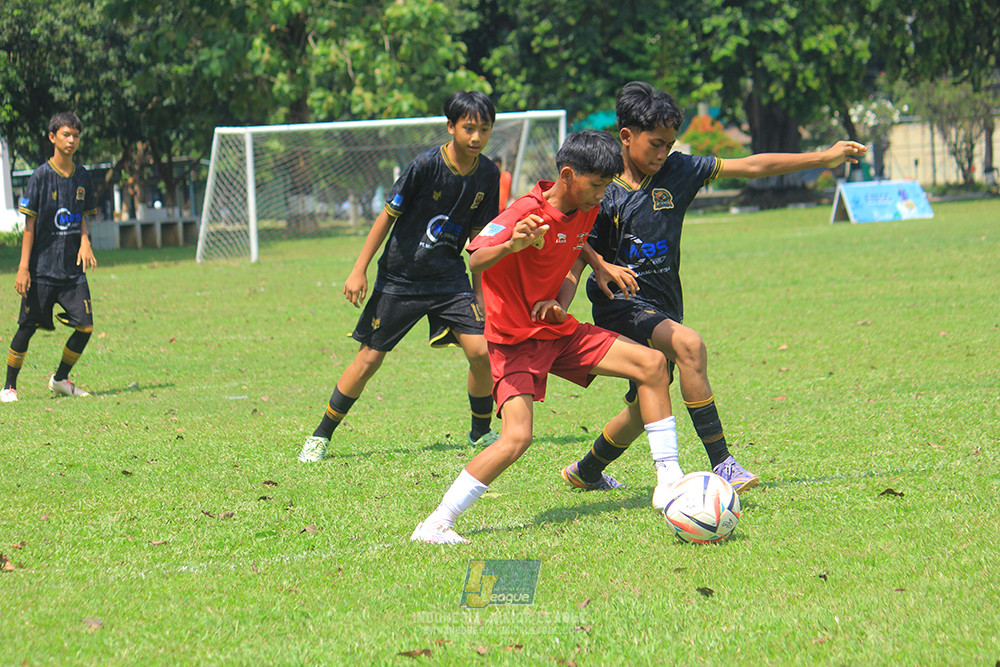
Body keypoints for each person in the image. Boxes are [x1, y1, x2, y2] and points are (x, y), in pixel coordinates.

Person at [561, 81, 868, 509]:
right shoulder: (601, 187)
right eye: (655, 144)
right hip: (620, 307)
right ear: (626, 136)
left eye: (669, 144)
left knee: (644, 407)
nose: (662, 153)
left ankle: (586, 470)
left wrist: (822, 156)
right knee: (690, 344)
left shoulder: (679, 171)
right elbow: (574, 248)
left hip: (665, 303)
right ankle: (722, 462)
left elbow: (753, 166)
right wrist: (571, 292)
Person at [411, 130, 685, 544]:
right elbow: (477, 256)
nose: (601, 195)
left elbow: (574, 242)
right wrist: (513, 243)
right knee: (517, 438)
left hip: (554, 329)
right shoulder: (528, 210)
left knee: (653, 364)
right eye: (596, 185)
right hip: (514, 339)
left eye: (607, 186)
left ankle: (669, 481)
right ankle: (436, 523)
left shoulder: (586, 206)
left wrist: (593, 270)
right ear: (569, 175)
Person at [297, 91, 502, 462]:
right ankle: (321, 435)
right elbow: (387, 217)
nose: (476, 137)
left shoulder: (488, 173)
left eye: (484, 129)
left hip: (449, 279)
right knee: (369, 359)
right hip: (401, 278)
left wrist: (481, 295)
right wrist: (358, 269)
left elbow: (478, 240)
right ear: (451, 127)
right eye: (468, 128)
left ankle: (480, 432)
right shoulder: (424, 165)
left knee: (482, 352)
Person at [2, 112, 98, 403]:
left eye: (76, 135)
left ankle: (59, 379)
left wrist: (85, 241)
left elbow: (82, 216)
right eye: (66, 134)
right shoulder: (40, 176)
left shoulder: (83, 176)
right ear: (52, 137)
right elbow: (29, 226)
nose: (71, 140)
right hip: (42, 270)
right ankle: (9, 386)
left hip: (72, 271)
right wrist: (23, 268)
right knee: (27, 327)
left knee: (86, 326)